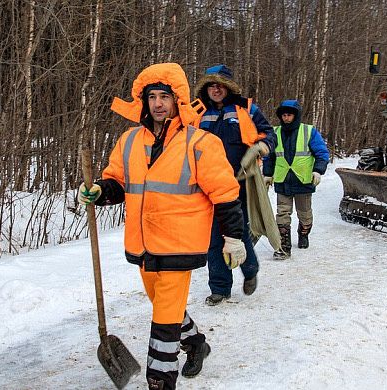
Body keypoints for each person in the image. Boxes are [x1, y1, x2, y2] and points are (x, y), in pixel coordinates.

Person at [78, 63, 247, 390]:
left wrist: (233, 237)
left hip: (180, 247)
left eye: (164, 97)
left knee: (163, 324)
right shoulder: (129, 141)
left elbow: (226, 195)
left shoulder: (200, 144)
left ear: (178, 100)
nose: (157, 103)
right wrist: (100, 190)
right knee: (165, 307)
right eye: (152, 96)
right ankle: (197, 343)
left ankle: (160, 380)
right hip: (143, 246)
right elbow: (118, 181)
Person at [193, 64, 277, 306]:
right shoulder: (198, 113)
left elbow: (268, 133)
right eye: (211, 86)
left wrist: (262, 146)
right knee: (213, 239)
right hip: (208, 185)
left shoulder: (246, 109)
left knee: (237, 232)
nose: (215, 90)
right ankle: (219, 288)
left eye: (219, 85)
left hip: (238, 183)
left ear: (228, 87)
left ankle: (250, 270)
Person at [262, 100, 330, 259]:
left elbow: (322, 153)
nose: (286, 118)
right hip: (283, 180)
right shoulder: (275, 133)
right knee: (282, 214)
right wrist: (268, 174)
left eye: (289, 115)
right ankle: (283, 247)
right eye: (284, 115)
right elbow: (270, 157)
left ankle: (303, 232)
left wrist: (318, 171)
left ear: (296, 115)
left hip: (303, 181)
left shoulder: (309, 131)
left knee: (305, 215)